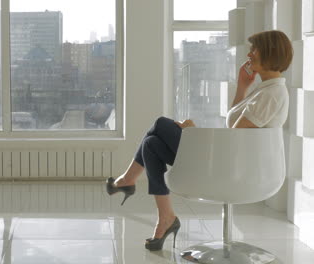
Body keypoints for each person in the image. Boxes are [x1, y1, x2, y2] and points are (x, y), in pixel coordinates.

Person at [106, 30, 293, 251]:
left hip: (232, 169)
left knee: (161, 124)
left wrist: (193, 132)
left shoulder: (272, 95)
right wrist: (243, 86)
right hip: (228, 162)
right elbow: (234, 125)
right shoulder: (265, 91)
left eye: (255, 49)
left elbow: (235, 136)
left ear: (270, 53)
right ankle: (165, 216)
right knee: (151, 145)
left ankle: (128, 181)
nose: (250, 54)